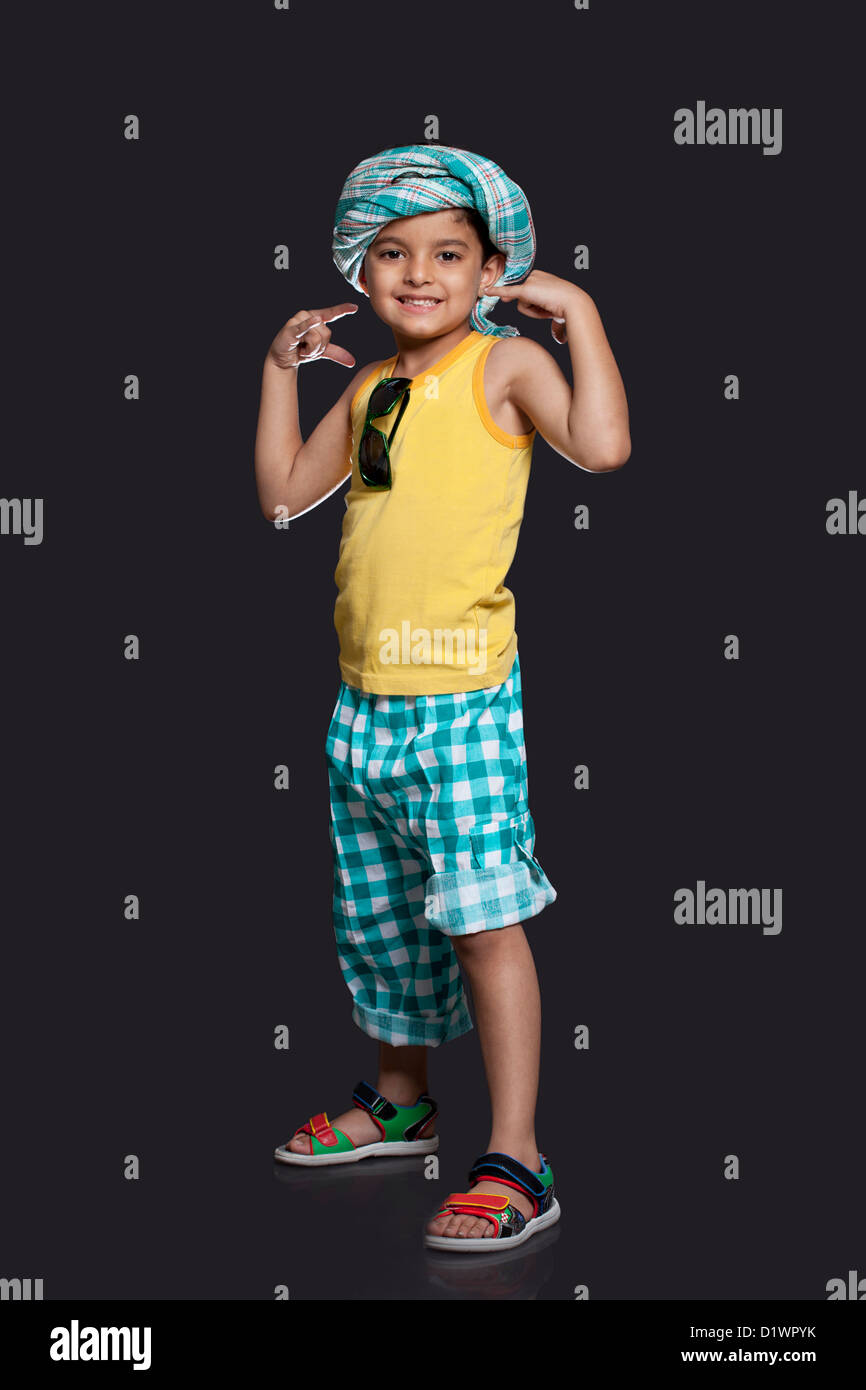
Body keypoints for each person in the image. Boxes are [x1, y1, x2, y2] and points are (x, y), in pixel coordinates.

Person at [255, 144, 630, 1251]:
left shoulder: (502, 366)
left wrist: (580, 313)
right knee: (380, 919)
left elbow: (603, 446)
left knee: (480, 919)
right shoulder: (372, 386)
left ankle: (515, 1154)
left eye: (448, 254)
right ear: (358, 271)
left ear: (488, 271)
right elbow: (283, 496)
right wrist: (280, 370)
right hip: (362, 703)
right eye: (392, 252)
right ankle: (398, 1098)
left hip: (459, 699)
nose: (418, 273)